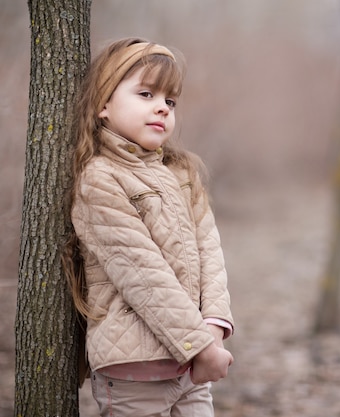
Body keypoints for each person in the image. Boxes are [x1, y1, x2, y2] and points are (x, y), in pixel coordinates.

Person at [62, 37, 234, 416]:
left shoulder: (181, 173)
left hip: (192, 365)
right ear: (104, 104)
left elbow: (210, 251)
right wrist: (202, 348)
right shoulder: (100, 179)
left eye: (170, 102)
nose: (161, 107)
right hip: (134, 369)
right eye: (145, 93)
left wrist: (215, 329)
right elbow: (143, 275)